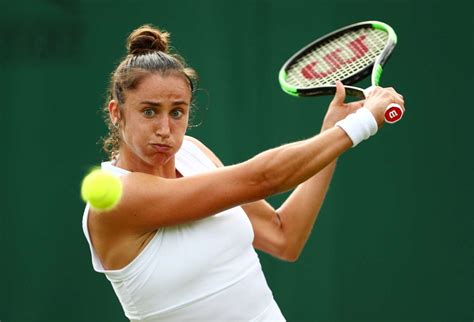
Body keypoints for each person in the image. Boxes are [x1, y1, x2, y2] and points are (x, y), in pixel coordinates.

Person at [82, 24, 404, 321]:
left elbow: (284, 236)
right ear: (117, 113)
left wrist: (331, 135)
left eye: (177, 111)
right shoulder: (116, 200)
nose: (165, 129)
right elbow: (261, 179)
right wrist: (360, 124)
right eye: (149, 111)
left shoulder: (193, 153)